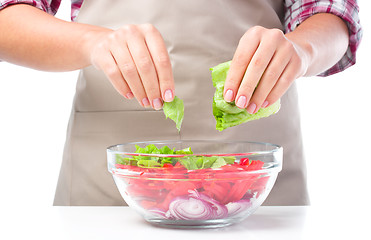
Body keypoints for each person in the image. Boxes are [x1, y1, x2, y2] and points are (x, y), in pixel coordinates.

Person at [0, 0, 362, 206]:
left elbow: (330, 13)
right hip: (108, 175)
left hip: (254, 173)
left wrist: (302, 48)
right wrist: (92, 44)